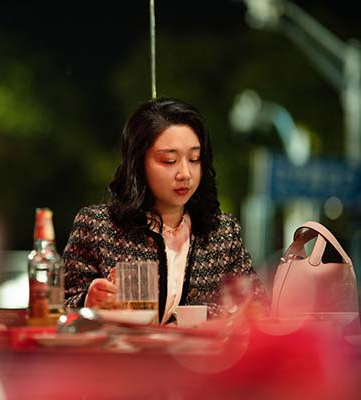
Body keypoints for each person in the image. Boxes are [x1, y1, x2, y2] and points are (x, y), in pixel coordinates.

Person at [62, 97, 268, 324]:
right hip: (120, 347)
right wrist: (87, 302)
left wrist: (194, 319)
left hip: (198, 348)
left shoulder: (222, 232)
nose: (185, 174)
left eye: (194, 159)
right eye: (169, 160)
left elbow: (257, 307)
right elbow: (56, 308)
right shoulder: (99, 226)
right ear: (138, 163)